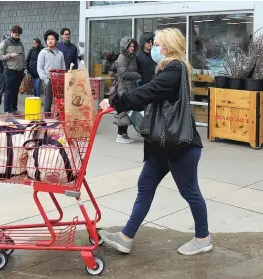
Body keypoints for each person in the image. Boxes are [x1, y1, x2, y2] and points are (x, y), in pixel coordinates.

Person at [99, 28, 211, 256]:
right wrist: (119, 103)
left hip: (179, 146)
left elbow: (150, 91)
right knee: (145, 187)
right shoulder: (166, 68)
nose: (153, 48)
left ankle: (203, 238)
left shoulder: (175, 68)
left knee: (190, 192)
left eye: (157, 44)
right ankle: (125, 237)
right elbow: (151, 99)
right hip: (162, 144)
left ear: (168, 47)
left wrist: (118, 101)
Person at [112, 36, 140, 144]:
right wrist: (136, 75)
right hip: (123, 87)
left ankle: (124, 134)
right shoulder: (123, 57)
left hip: (130, 86)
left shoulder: (131, 57)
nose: (132, 48)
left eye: (133, 46)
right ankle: (120, 135)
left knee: (127, 112)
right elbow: (122, 73)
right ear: (125, 47)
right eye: (130, 46)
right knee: (122, 111)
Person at [0, 25, 25, 115]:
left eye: (19, 34)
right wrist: (9, 55)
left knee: (16, 91)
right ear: (11, 33)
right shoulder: (5, 43)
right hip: (9, 70)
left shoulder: (20, 43)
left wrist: (24, 67)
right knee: (9, 90)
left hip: (19, 70)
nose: (17, 36)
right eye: (16, 34)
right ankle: (7, 110)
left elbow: (23, 56)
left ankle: (14, 109)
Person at [37, 30, 66, 115]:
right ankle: (47, 117)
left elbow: (63, 67)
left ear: (56, 40)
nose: (50, 41)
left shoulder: (60, 53)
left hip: (58, 80)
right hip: (48, 79)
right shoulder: (43, 53)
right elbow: (39, 68)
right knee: (48, 99)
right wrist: (45, 80)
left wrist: (62, 78)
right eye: (48, 39)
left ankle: (59, 116)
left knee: (60, 99)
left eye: (52, 39)